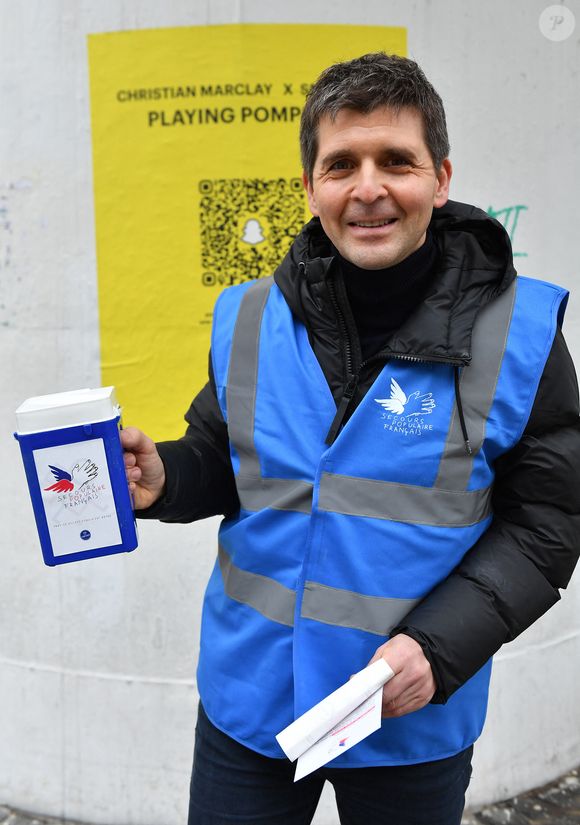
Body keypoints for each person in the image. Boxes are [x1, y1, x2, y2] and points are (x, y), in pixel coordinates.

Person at [121, 53, 580, 825]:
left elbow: (549, 523)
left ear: (440, 177)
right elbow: (226, 458)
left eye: (394, 160)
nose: (367, 187)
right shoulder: (248, 316)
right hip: (251, 706)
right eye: (341, 165)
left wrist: (436, 652)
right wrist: (166, 476)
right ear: (310, 188)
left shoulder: (523, 335)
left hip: (409, 715)